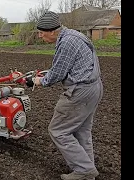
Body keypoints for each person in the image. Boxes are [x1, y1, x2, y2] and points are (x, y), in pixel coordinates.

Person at [25, 11, 103, 180]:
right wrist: (44, 75)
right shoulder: (75, 35)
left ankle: (84, 170)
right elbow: (66, 67)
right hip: (94, 87)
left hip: (80, 92)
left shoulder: (66, 42)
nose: (39, 36)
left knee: (58, 130)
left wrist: (37, 81)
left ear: (52, 31)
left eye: (41, 32)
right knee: (82, 131)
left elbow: (57, 74)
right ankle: (88, 169)